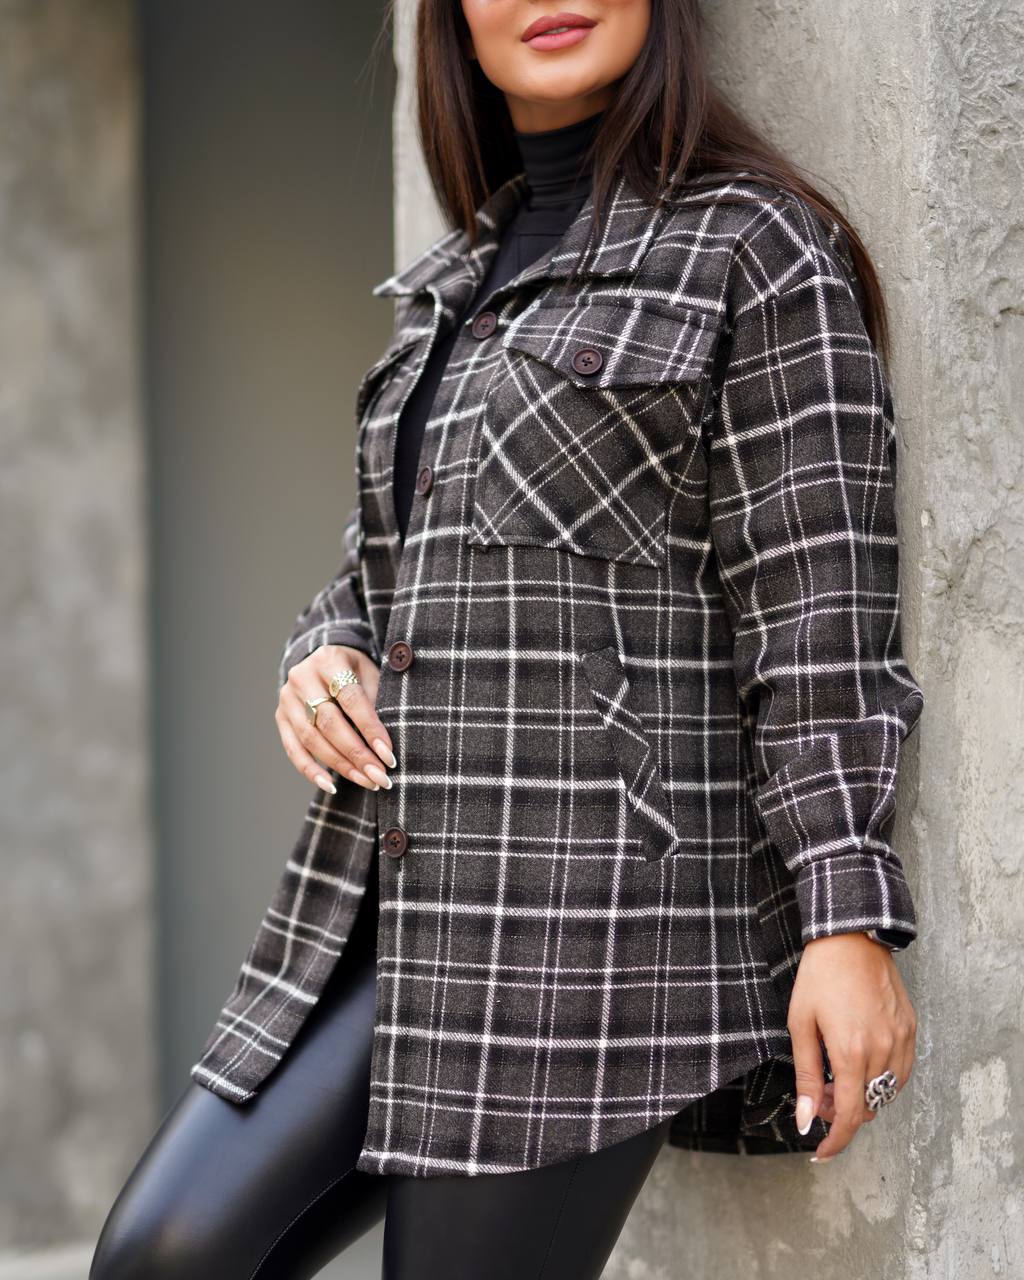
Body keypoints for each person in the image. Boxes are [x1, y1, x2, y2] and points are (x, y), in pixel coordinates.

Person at [91, 1, 924, 1276]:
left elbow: (819, 616)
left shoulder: (756, 248)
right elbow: (390, 558)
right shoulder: (455, 278)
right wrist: (324, 648)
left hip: (592, 932)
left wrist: (845, 918)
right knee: (161, 1252)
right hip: (401, 900)